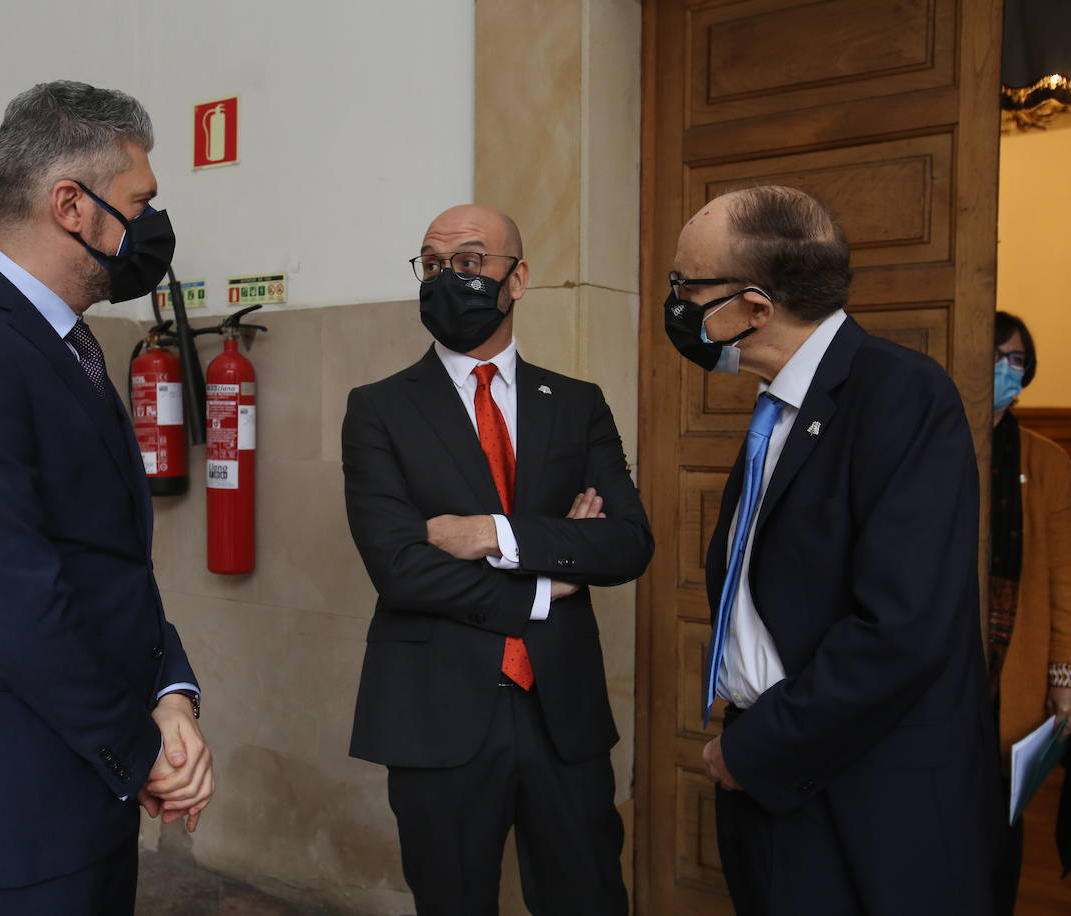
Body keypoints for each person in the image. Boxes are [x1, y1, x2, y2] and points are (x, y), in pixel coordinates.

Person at [0, 81, 213, 915]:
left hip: (94, 787)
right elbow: (17, 603)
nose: (153, 227)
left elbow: (107, 561)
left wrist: (172, 694)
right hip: (14, 810)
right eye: (140, 203)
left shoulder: (62, 341)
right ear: (71, 205)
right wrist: (144, 750)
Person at [664, 185, 1002, 914]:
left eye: (687, 286)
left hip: (860, 790)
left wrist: (753, 752)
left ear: (755, 307)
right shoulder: (778, 404)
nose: (677, 305)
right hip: (770, 767)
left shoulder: (901, 394)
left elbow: (901, 628)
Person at [341, 204, 653, 915]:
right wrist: (552, 584)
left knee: (589, 899)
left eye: (472, 261)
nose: (450, 277)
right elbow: (400, 567)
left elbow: (626, 542)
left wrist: (493, 534)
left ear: (518, 279)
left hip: (562, 715)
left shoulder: (576, 405)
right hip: (436, 713)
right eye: (433, 263)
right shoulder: (378, 409)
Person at [988, 311, 1071, 913]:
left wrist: (1062, 676)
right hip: (936, 668)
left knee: (999, 822)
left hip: (1010, 666)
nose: (1005, 370)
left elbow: (1066, 579)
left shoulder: (1046, 461)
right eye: (996, 357)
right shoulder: (934, 443)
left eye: (1016, 360)